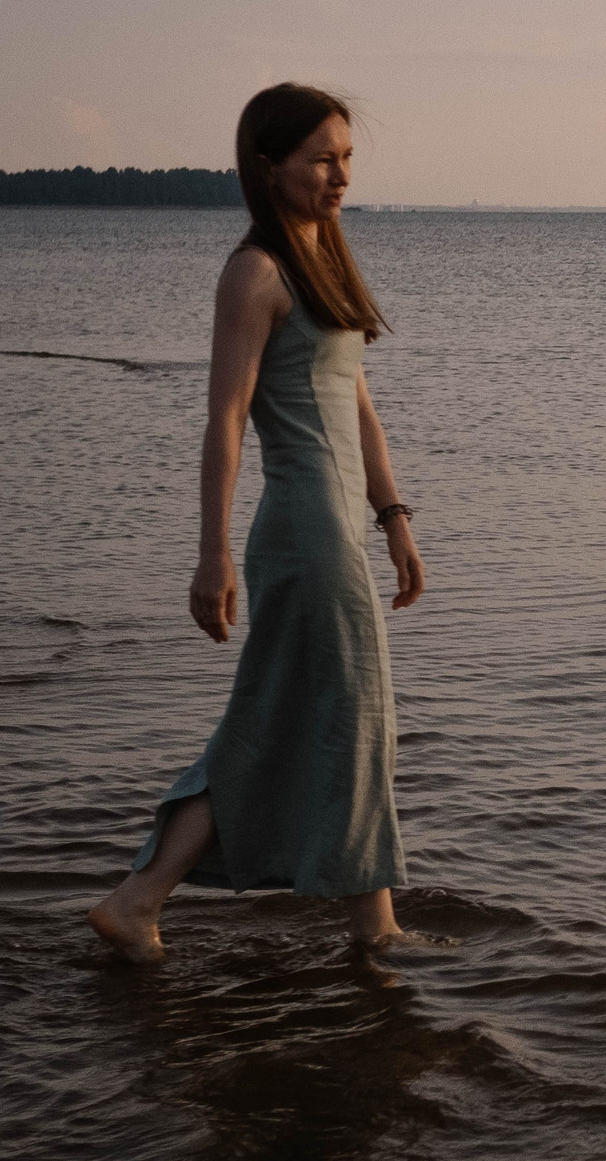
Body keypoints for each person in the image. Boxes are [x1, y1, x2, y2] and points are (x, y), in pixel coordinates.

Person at [89, 83, 428, 962]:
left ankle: (361, 923)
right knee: (321, 716)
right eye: (323, 158)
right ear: (268, 167)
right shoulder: (256, 271)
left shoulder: (326, 256)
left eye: (347, 156)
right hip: (302, 530)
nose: (341, 174)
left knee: (324, 717)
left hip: (339, 530)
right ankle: (146, 897)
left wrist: (394, 517)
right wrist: (211, 555)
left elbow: (358, 404)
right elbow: (224, 420)